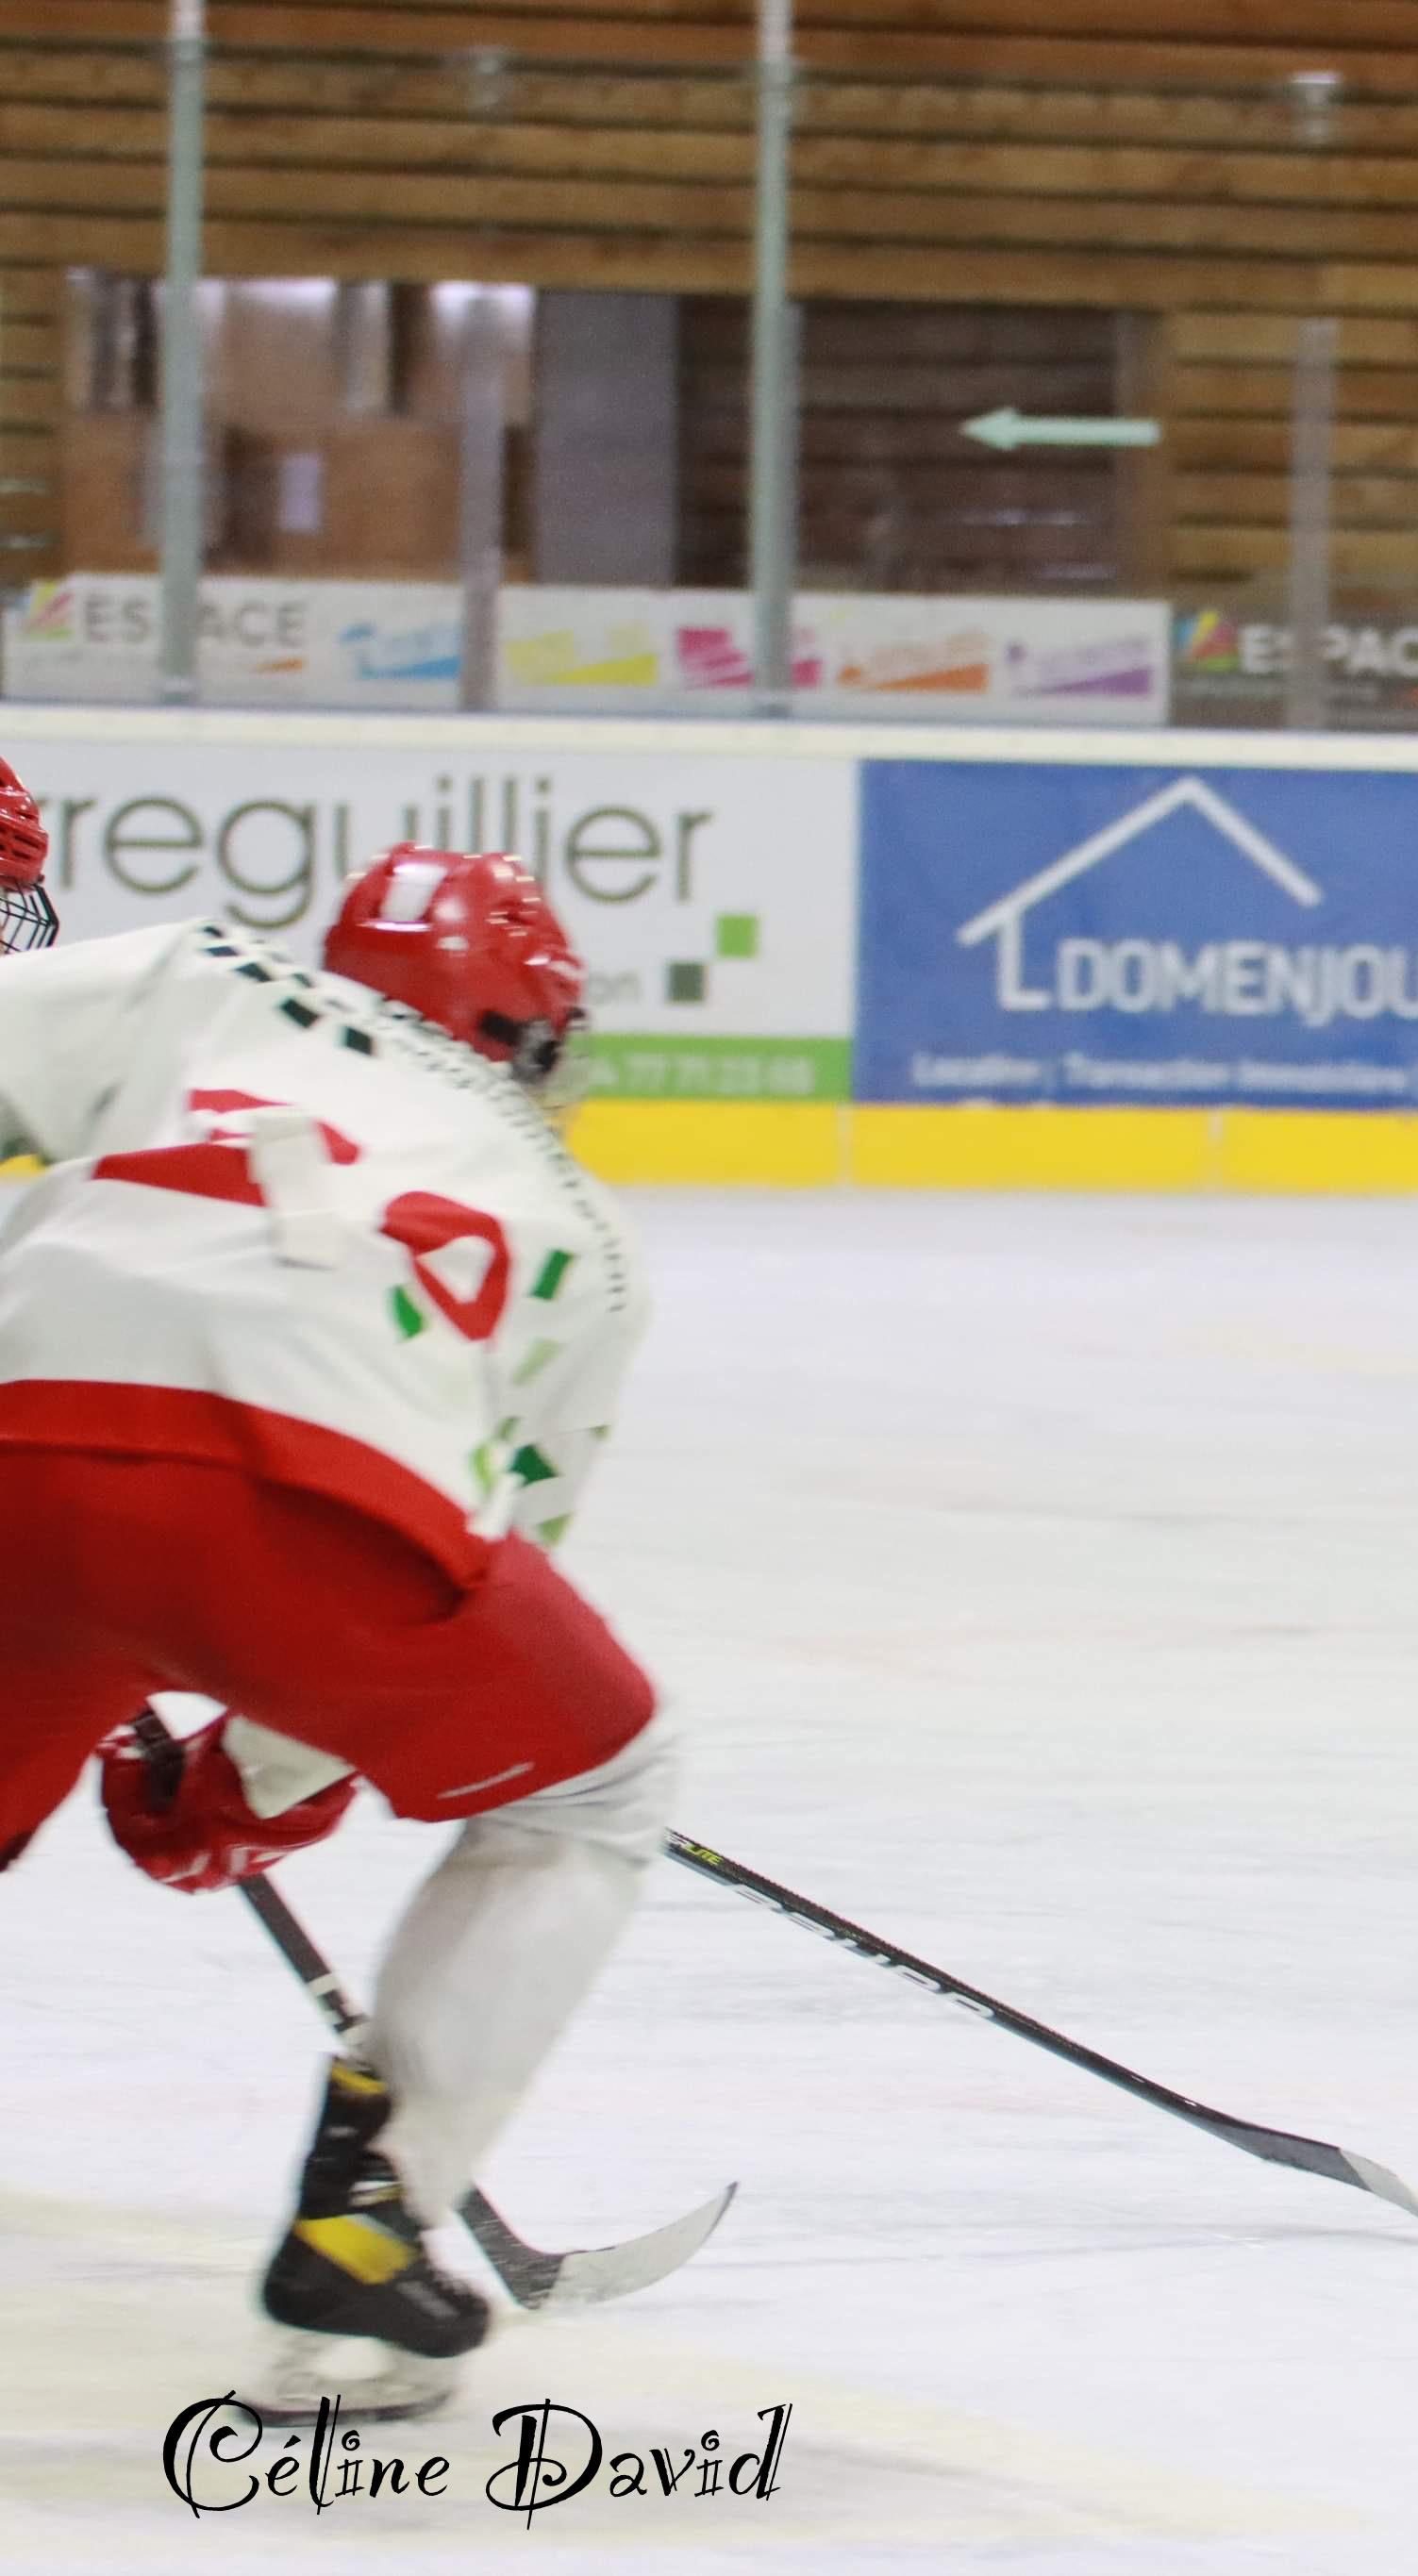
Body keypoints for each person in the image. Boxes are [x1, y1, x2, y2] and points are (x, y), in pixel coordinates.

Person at [0, 814, 677, 2414]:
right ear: (525, 1032)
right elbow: (463, 1572)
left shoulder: (202, 976)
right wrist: (247, 1785)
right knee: (593, 1785)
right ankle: (359, 2255)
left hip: (19, 1431)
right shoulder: (585, 1241)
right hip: (325, 1492)